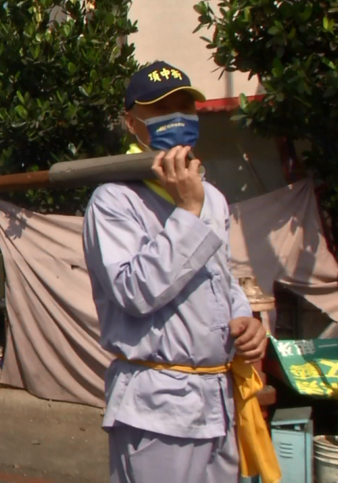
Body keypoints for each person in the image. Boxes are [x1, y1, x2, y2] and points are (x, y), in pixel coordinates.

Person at [82, 61, 278, 483]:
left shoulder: (214, 198)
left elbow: (220, 277)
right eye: (160, 108)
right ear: (131, 122)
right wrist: (188, 212)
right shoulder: (114, 200)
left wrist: (244, 317)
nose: (177, 116)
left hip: (216, 400)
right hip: (157, 405)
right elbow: (134, 291)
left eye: (185, 106)